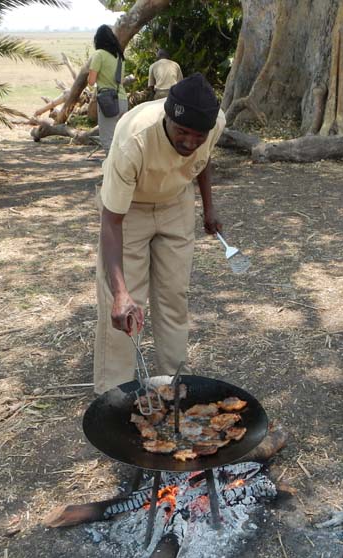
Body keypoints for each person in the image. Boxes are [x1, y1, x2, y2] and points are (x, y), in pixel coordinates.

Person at [93, 73, 226, 395]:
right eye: (182, 132)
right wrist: (121, 292)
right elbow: (111, 224)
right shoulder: (134, 139)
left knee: (173, 296)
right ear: (168, 118)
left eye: (198, 135)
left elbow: (203, 159)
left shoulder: (214, 121)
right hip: (129, 210)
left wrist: (208, 208)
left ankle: (173, 381)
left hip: (176, 203)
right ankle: (115, 391)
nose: (190, 142)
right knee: (125, 303)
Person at [88, 25, 129, 155]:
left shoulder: (99, 54)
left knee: (108, 140)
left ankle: (111, 173)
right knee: (120, 139)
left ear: (98, 40)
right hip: (122, 100)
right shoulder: (119, 56)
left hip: (108, 102)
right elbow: (120, 81)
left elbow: (91, 81)